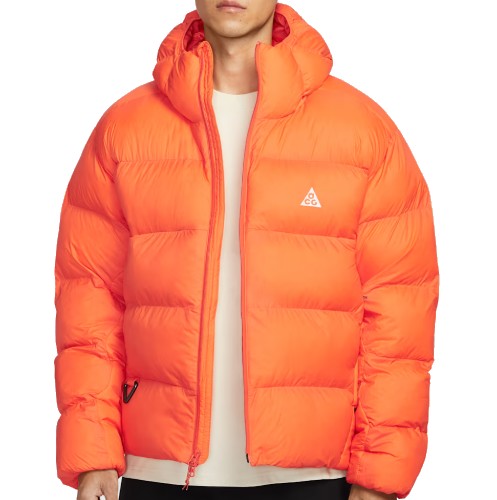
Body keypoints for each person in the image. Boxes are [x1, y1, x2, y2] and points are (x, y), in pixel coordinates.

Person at [53, 2, 439, 500]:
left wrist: (380, 475)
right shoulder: (125, 130)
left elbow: (399, 318)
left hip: (314, 478)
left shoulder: (362, 132)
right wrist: (92, 451)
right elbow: (90, 303)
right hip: (160, 472)